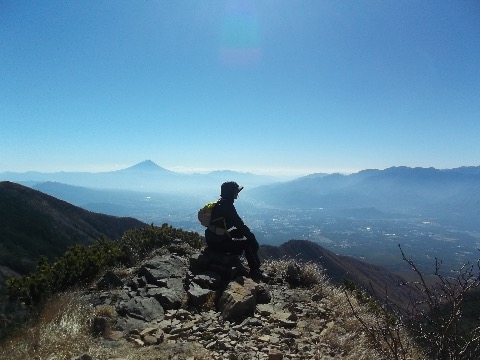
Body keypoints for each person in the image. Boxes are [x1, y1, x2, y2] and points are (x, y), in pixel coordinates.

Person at [205, 181, 263, 280]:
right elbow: (239, 224)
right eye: (236, 192)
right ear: (230, 193)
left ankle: (234, 257)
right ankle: (255, 270)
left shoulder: (220, 203)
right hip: (217, 243)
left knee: (239, 234)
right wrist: (252, 237)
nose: (237, 194)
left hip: (212, 239)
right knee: (247, 243)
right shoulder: (227, 206)